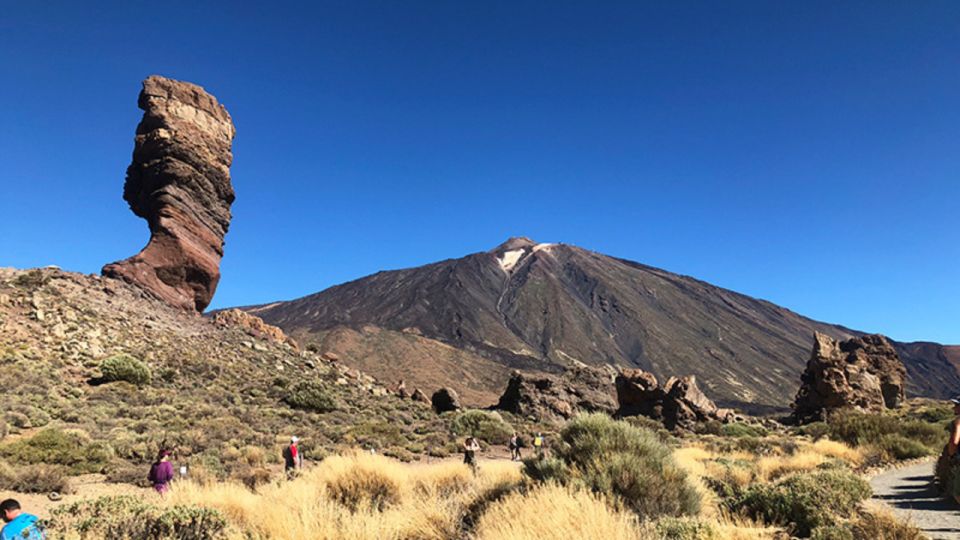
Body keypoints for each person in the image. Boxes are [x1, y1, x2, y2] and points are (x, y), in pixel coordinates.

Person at [937, 396, 960, 501]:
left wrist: (952, 456)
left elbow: (953, 442)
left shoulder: (958, 422)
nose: (954, 408)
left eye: (956, 405)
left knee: (958, 493)